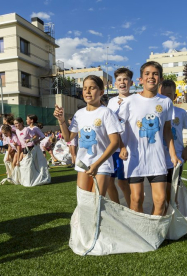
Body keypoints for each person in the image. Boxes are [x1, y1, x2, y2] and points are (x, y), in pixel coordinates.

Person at [117, 61, 180, 216]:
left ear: (160, 78)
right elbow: (117, 128)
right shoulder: (129, 101)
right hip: (135, 158)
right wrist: (122, 147)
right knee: (136, 199)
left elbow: (167, 131)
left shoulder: (165, 102)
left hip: (157, 158)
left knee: (160, 200)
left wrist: (173, 154)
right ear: (141, 79)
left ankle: (154, 233)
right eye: (147, 74)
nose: (151, 77)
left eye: (155, 74)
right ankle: (138, 233)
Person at [54, 75, 122, 197]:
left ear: (101, 92)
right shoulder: (79, 114)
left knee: (95, 203)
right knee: (84, 202)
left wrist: (96, 164)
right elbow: (68, 138)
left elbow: (115, 142)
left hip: (102, 165)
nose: (88, 91)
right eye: (85, 88)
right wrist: (61, 120)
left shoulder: (106, 113)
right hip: (83, 164)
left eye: (92, 88)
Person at [160, 80, 187, 205]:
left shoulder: (181, 113)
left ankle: (174, 214)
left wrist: (186, 150)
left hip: (175, 159)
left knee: (172, 191)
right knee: (159, 194)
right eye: (162, 95)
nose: (165, 98)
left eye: (169, 95)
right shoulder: (156, 112)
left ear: (175, 97)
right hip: (158, 159)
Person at [106, 67, 133, 206]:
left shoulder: (136, 100)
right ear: (115, 84)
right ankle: (117, 208)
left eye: (125, 79)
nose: (122, 82)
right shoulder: (111, 102)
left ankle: (131, 209)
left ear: (131, 83)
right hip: (113, 148)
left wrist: (123, 145)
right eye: (119, 80)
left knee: (123, 182)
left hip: (128, 148)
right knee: (110, 180)